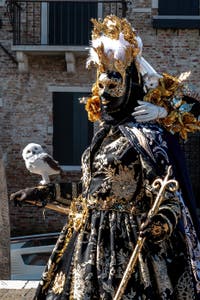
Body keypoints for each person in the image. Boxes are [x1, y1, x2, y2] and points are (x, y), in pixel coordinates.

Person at [10, 15, 200, 300]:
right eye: (101, 86)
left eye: (113, 85)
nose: (104, 93)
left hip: (132, 247)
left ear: (131, 85)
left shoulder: (147, 138)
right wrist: (47, 194)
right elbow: (90, 196)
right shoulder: (102, 136)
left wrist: (161, 223)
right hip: (88, 245)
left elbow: (168, 194)